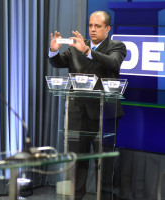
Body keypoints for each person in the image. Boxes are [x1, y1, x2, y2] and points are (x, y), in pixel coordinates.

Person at [48, 11, 126, 200]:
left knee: (104, 166)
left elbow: (113, 63)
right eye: (90, 25)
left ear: (107, 29)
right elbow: (59, 62)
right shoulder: (77, 46)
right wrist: (54, 50)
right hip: (78, 113)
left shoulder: (117, 46)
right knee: (77, 164)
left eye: (97, 26)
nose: (92, 29)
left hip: (104, 116)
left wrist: (88, 52)